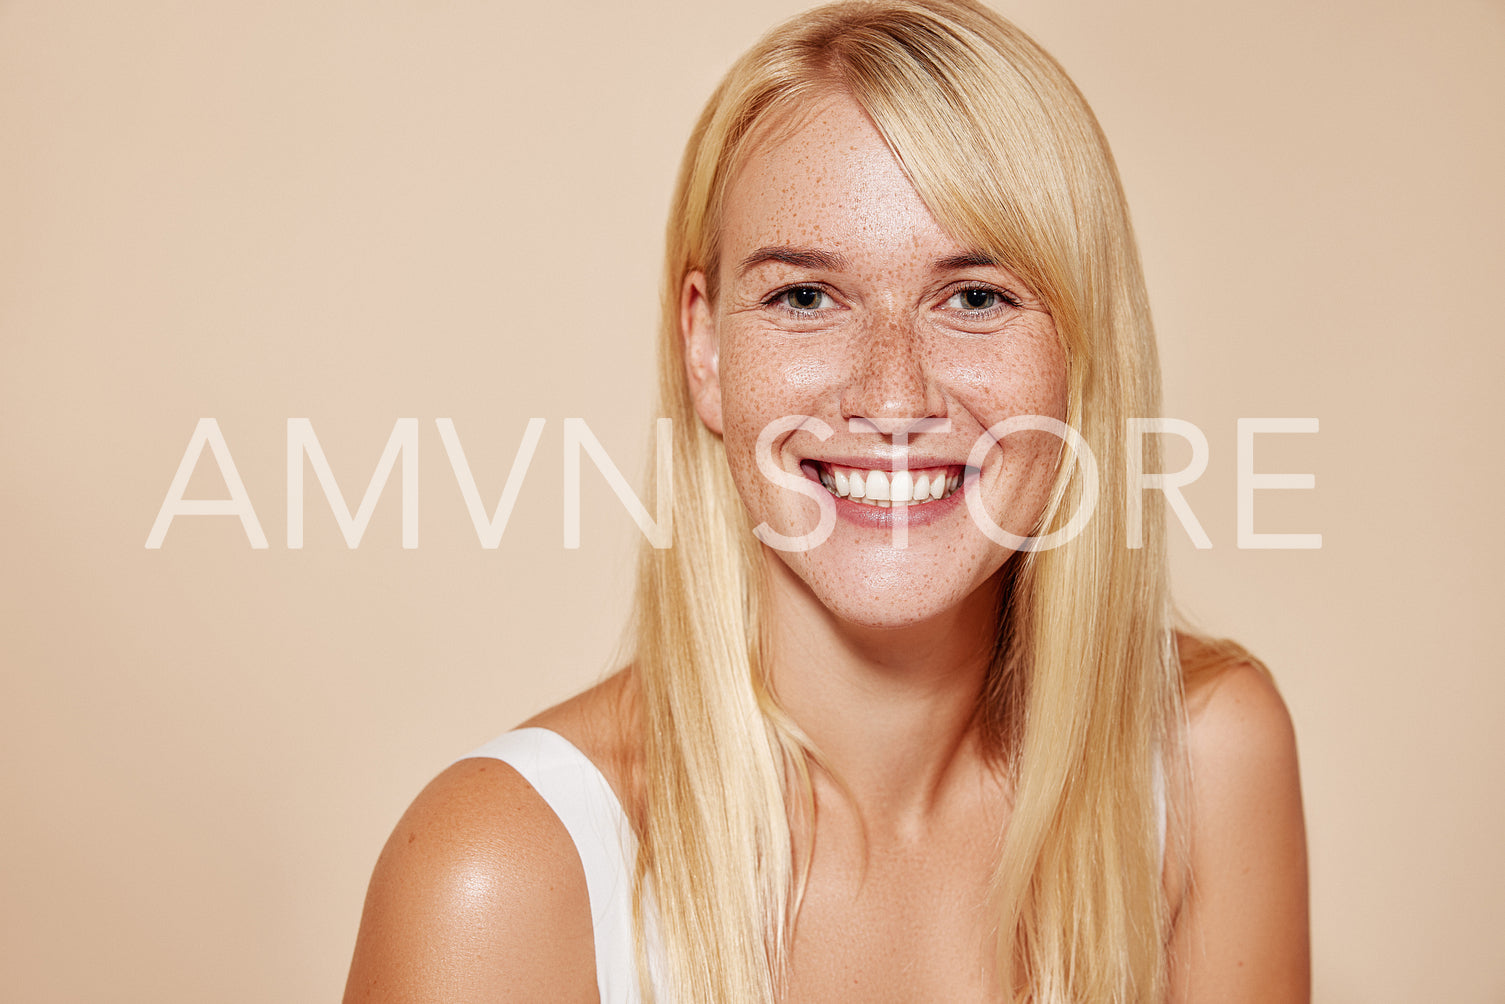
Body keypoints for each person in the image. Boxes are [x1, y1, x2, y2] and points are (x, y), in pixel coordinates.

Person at [343, 1, 1309, 1000]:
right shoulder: (498, 877)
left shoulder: (1206, 761)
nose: (891, 397)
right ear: (705, 349)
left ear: (1080, 350)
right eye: (804, 296)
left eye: (974, 296)